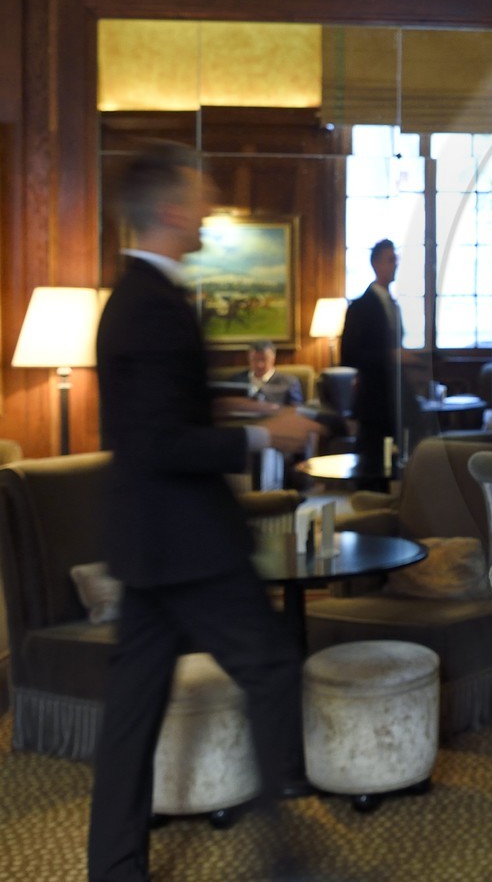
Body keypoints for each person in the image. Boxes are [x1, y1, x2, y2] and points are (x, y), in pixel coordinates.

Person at [88, 143, 325, 882]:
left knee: (132, 709)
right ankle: (280, 855)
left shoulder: (135, 296)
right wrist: (264, 433)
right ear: (170, 210)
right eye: (201, 198)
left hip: (145, 541)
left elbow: (161, 410)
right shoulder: (155, 307)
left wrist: (236, 402)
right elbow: (162, 441)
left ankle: (114, 868)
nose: (210, 209)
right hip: (188, 541)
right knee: (272, 663)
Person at [341, 238, 419, 460]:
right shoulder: (360, 307)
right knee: (372, 460)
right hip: (374, 397)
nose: (395, 265)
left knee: (406, 454)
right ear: (376, 264)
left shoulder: (393, 305)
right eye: (391, 260)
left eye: (396, 260)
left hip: (397, 394)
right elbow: (349, 355)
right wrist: (392, 356)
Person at [229, 339, 304, 406]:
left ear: (273, 359)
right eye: (254, 360)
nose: (259, 365)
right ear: (248, 359)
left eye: (264, 360)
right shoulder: (235, 380)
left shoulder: (289, 383)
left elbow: (296, 412)